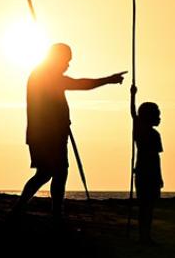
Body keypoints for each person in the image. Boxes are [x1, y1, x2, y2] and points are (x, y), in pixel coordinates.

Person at [13, 43, 125, 220]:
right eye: (66, 61)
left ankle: (41, 211)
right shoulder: (45, 76)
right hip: (46, 136)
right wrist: (108, 80)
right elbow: (80, 84)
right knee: (50, 173)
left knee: (50, 173)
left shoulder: (44, 75)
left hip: (51, 135)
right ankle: (51, 213)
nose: (67, 65)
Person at [130, 85, 163, 244]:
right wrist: (159, 177)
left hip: (141, 171)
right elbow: (156, 159)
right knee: (147, 207)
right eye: (157, 115)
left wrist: (132, 95)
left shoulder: (139, 130)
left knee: (144, 206)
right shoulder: (152, 134)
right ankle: (145, 236)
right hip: (149, 173)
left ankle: (144, 235)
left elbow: (133, 114)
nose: (159, 118)